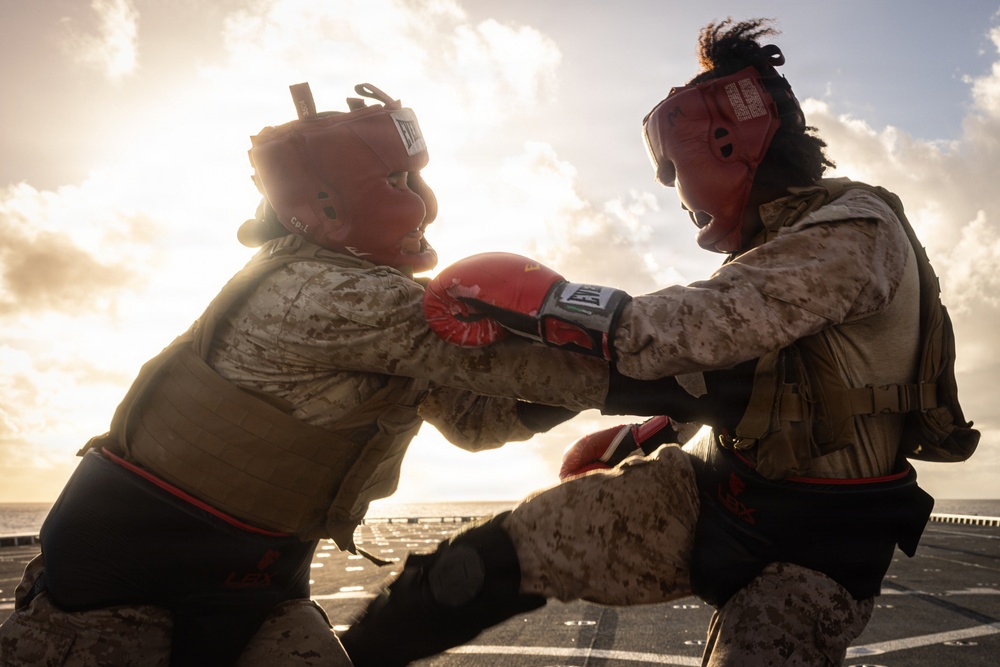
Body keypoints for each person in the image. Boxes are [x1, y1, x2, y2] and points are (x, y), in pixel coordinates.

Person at [339, 19, 974, 667]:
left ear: (723, 142)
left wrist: (550, 303)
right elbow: (759, 378)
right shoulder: (779, 240)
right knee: (475, 568)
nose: (676, 190)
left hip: (817, 547)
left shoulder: (855, 232)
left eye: (676, 169)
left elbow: (698, 328)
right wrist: (654, 434)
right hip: (718, 494)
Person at [0, 81, 642, 666]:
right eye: (397, 180)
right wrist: (667, 372)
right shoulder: (322, 291)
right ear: (329, 203)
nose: (421, 202)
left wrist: (605, 400)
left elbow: (474, 420)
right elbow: (526, 364)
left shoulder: (386, 304)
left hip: (259, 582)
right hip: (118, 589)